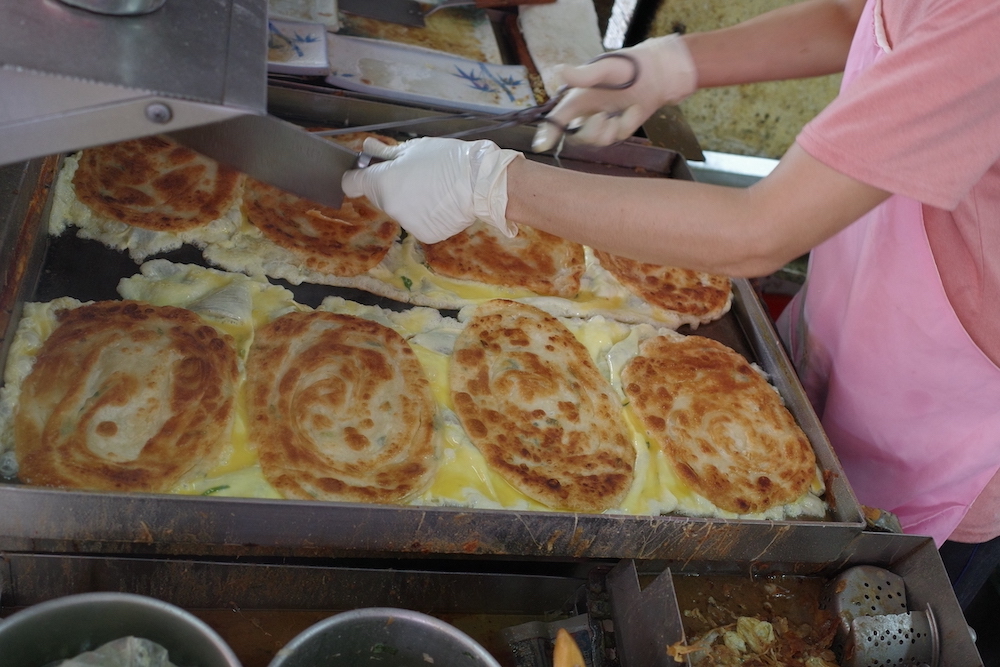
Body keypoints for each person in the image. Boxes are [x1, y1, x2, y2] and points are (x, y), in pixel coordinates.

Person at [342, 0, 1000, 610]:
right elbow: (854, 15)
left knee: (806, 586)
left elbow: (759, 232)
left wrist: (490, 184)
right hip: (853, 305)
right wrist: (672, 62)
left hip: (945, 415)